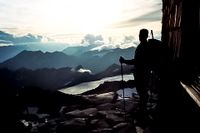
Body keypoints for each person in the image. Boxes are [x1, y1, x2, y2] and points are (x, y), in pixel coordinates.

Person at [119, 28, 151, 112]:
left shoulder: (142, 47)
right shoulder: (147, 46)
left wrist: (124, 61)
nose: (139, 36)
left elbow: (137, 61)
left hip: (141, 74)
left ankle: (143, 111)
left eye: (140, 35)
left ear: (142, 36)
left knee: (142, 92)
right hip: (146, 73)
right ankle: (143, 109)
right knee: (143, 92)